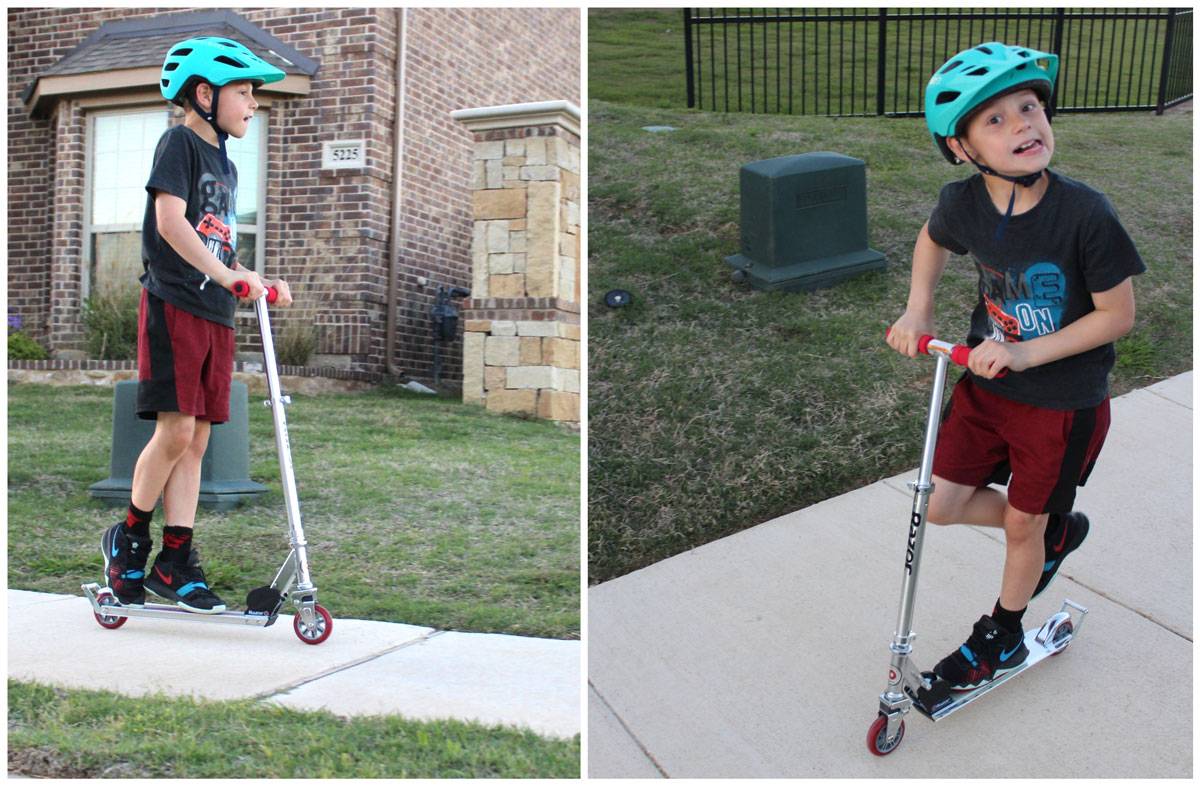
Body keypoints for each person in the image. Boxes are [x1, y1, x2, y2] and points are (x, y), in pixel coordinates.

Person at [886, 42, 1145, 689]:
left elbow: (1117, 316)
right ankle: (1054, 533)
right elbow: (933, 236)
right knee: (940, 505)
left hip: (1062, 402)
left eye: (1029, 107)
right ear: (961, 147)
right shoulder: (964, 202)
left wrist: (1026, 351)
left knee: (1023, 520)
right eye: (995, 119)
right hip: (987, 387)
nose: (1023, 123)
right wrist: (918, 309)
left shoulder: (1086, 214)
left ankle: (1002, 629)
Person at [101, 37, 293, 614]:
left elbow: (216, 243)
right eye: (244, 90)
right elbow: (170, 223)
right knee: (177, 430)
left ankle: (174, 561)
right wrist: (222, 273)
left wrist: (253, 277)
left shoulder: (227, 165)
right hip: (174, 303)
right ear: (205, 94)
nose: (253, 102)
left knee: (199, 437)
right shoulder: (179, 143)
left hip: (214, 310)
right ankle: (129, 541)